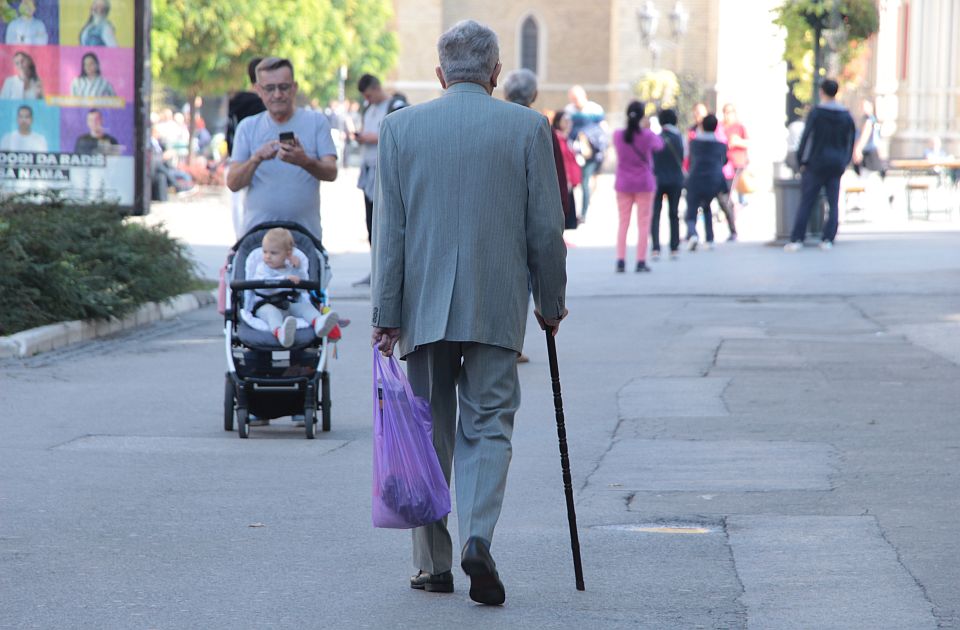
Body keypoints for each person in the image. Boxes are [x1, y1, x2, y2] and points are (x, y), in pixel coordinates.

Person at [371, 20, 567, 606]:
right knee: (488, 425)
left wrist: (386, 310)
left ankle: (433, 564)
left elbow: (391, 230)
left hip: (422, 305)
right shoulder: (528, 127)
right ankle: (477, 537)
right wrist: (550, 303)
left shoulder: (400, 129)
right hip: (495, 302)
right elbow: (546, 229)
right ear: (496, 73)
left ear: (439, 73)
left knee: (427, 429)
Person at [226, 57, 338, 241]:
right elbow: (233, 183)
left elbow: (331, 172)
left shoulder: (316, 122)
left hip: (305, 239)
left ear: (294, 87)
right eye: (269, 88)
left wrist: (304, 161)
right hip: (258, 241)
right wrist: (256, 159)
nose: (277, 94)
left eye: (283, 87)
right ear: (258, 90)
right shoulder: (247, 127)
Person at [784, 79, 856, 252]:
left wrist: (801, 160)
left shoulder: (817, 113)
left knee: (807, 201)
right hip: (836, 162)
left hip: (816, 162)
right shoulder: (845, 115)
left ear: (822, 91)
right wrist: (845, 160)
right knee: (833, 201)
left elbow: (807, 136)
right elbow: (851, 139)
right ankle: (828, 238)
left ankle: (797, 238)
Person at [248, 227, 339, 348]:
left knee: (305, 307)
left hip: (288, 303)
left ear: (288, 253)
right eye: (265, 252)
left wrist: (298, 269)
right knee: (272, 314)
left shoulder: (290, 269)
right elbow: (261, 288)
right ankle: (281, 333)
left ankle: (319, 323)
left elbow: (302, 288)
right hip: (265, 305)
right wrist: (284, 280)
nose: (268, 256)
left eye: (273, 253)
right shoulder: (262, 268)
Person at [612, 100, 663, 273]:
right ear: (642, 116)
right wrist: (648, 128)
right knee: (643, 224)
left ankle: (620, 260)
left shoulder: (618, 135)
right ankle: (641, 261)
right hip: (644, 183)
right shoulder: (647, 135)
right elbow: (659, 145)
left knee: (623, 223)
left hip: (623, 183)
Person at [351, 74, 390, 287]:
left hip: (384, 172)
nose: (368, 100)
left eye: (368, 95)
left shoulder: (395, 105)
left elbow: (395, 133)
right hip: (369, 174)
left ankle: (384, 272)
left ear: (376, 89)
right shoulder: (370, 109)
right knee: (371, 224)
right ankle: (375, 269)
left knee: (384, 224)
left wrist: (371, 137)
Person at [684, 113, 728, 251]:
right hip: (713, 180)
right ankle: (709, 239)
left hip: (695, 179)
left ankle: (692, 233)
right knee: (707, 207)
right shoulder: (721, 145)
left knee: (691, 209)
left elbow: (688, 159)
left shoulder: (694, 143)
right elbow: (725, 161)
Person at [565, 85, 607, 222]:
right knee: (578, 182)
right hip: (575, 150)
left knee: (585, 181)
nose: (575, 101)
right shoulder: (569, 110)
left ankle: (583, 212)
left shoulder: (595, 109)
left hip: (591, 151)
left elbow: (603, 128)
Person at [651, 108, 685, 259]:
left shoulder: (656, 138)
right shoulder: (680, 138)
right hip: (675, 179)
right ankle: (674, 247)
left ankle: (656, 248)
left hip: (657, 179)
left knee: (656, 214)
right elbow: (685, 157)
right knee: (674, 213)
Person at [551, 110, 581, 230]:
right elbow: (561, 159)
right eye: (565, 121)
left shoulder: (566, 137)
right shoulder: (558, 137)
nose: (568, 123)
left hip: (569, 179)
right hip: (564, 179)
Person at [721, 103, 750, 206]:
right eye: (725, 112)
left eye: (729, 112)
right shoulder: (721, 126)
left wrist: (737, 141)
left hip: (738, 162)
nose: (727, 115)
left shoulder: (739, 127)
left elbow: (747, 142)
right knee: (726, 190)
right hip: (724, 163)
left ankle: (737, 206)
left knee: (735, 188)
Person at [852, 100, 885, 178]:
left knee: (867, 177)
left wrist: (858, 149)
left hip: (869, 153)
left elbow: (865, 136)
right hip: (872, 152)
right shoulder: (872, 119)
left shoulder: (868, 120)